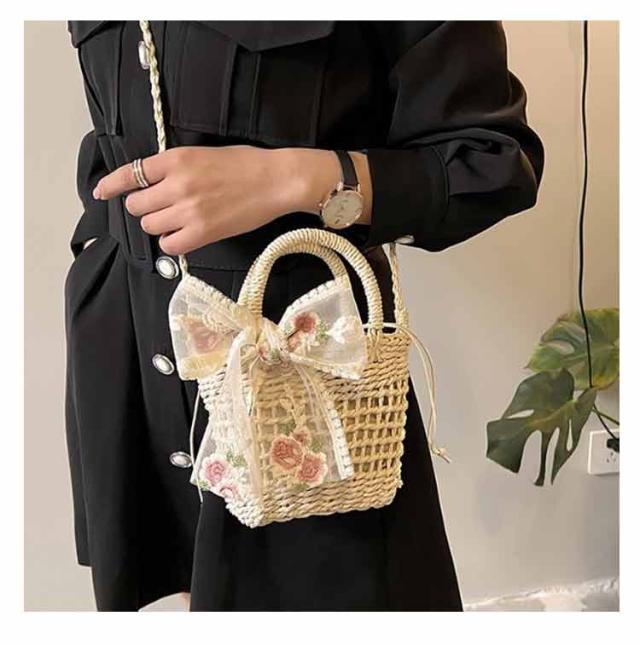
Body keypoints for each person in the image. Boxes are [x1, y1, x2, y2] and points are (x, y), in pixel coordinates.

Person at [64, 20, 544, 611]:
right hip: (127, 343)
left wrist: (292, 178)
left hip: (298, 373)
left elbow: (493, 164)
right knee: (176, 585)